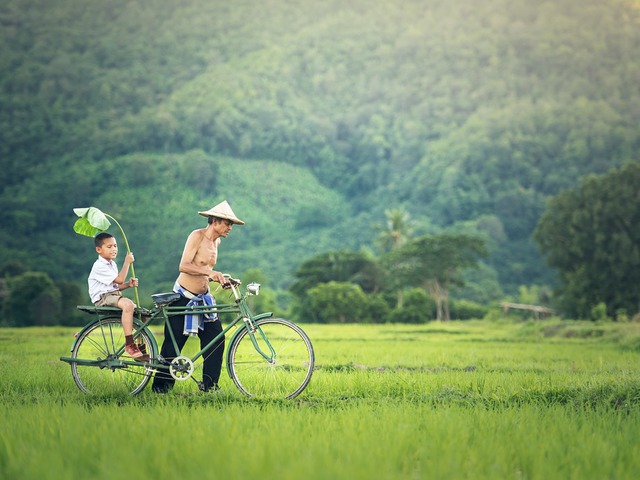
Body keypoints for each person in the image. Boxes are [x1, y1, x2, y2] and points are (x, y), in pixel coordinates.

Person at [151, 200, 244, 393]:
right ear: (216, 221)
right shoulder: (197, 236)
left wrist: (221, 278)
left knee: (216, 339)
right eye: (228, 224)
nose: (230, 228)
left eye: (231, 225)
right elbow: (184, 266)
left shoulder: (216, 242)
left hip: (204, 299)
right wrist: (210, 273)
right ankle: (160, 389)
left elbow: (206, 270)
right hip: (183, 297)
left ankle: (210, 387)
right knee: (173, 345)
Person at [88, 232, 149, 362]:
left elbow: (116, 286)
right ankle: (129, 344)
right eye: (109, 246)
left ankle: (142, 347)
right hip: (102, 298)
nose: (114, 249)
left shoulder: (112, 264)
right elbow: (119, 280)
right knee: (127, 304)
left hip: (112, 295)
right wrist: (127, 263)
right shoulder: (99, 266)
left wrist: (128, 284)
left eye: (115, 246)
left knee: (140, 313)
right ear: (99, 250)